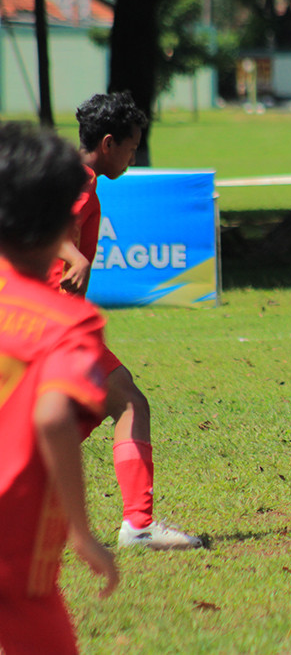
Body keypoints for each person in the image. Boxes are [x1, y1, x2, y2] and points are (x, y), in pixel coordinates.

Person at [48, 92, 201, 550]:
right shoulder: (78, 181)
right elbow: (39, 226)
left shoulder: (62, 173)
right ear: (109, 143)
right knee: (130, 402)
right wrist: (73, 254)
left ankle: (27, 496)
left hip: (37, 319)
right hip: (55, 321)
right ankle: (138, 525)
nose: (135, 157)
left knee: (83, 412)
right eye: (133, 148)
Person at [0, 122, 119, 655]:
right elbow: (52, 417)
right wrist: (81, 529)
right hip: (13, 547)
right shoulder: (69, 324)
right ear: (67, 222)